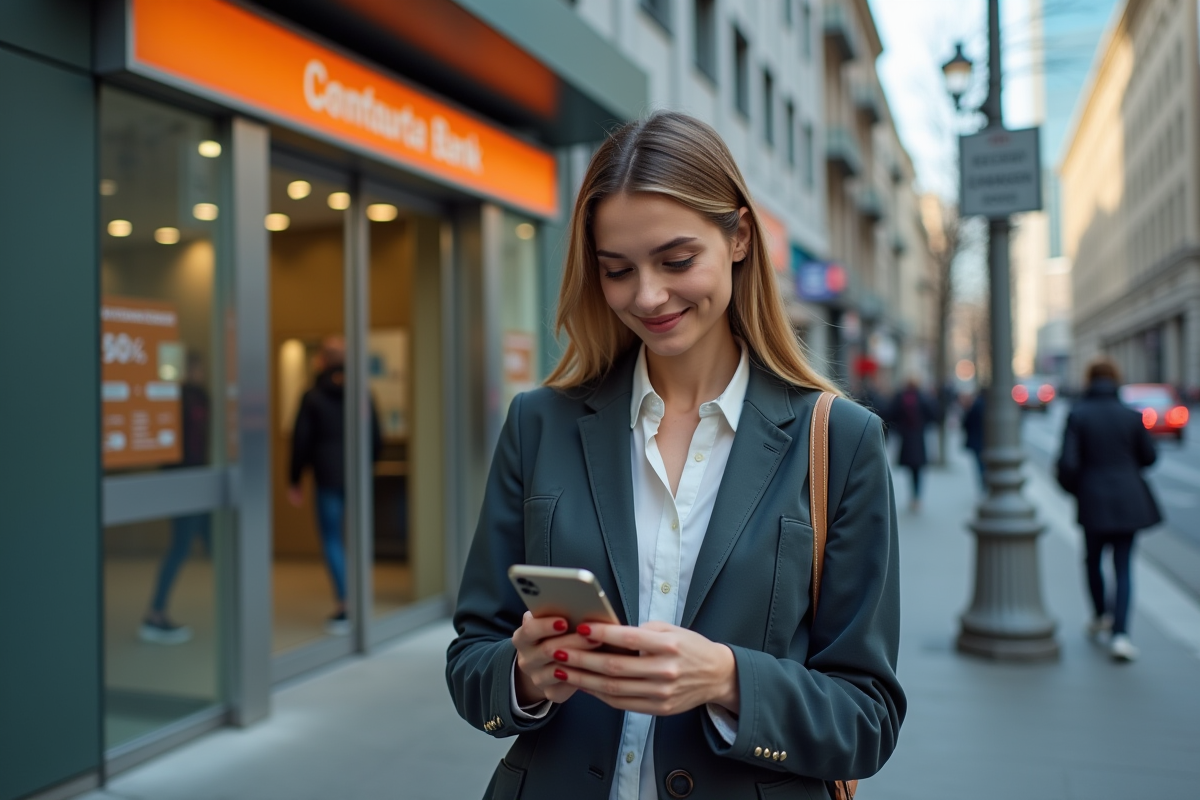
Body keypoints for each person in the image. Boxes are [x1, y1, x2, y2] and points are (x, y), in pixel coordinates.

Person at [446, 112, 904, 800]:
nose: (648, 296)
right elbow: (471, 656)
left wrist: (726, 679)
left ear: (740, 237)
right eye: (618, 270)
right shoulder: (539, 423)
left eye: (677, 260)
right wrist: (522, 674)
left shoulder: (840, 441)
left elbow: (867, 718)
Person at [1056, 358, 1161, 662]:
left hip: (1093, 499)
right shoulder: (1131, 416)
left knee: (1092, 562)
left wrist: (1079, 489)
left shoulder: (1078, 415)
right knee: (1124, 567)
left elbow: (1067, 464)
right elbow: (1149, 457)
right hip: (1130, 499)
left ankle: (1101, 614)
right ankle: (1121, 634)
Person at [288, 336, 382, 635]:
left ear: (321, 361)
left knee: (332, 538)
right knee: (357, 537)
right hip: (357, 476)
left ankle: (345, 604)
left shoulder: (312, 395)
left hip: (327, 477)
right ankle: (361, 602)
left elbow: (300, 440)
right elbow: (377, 437)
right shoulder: (361, 393)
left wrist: (294, 478)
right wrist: (367, 467)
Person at [140, 351, 212, 644]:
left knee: (215, 544)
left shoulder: (201, 398)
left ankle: (241, 609)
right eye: (199, 368)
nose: (202, 373)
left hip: (200, 479)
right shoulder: (174, 400)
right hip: (183, 481)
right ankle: (155, 613)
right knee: (181, 547)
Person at [886, 378, 937, 512]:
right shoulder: (922, 397)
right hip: (918, 438)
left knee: (911, 470)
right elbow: (932, 414)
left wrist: (898, 428)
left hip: (907, 438)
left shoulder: (901, 397)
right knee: (918, 469)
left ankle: (913, 497)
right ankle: (917, 497)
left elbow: (891, 414)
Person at [962, 388, 986, 490]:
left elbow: (966, 423)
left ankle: (983, 488)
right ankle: (985, 487)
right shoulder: (990, 406)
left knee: (980, 467)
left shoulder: (975, 406)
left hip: (977, 442)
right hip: (986, 442)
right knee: (984, 467)